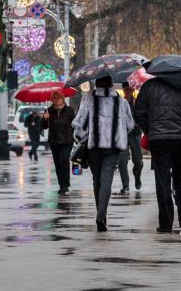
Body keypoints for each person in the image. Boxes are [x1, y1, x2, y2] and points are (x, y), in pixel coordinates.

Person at [134, 78, 181, 233]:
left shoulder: (149, 86)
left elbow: (138, 112)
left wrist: (149, 129)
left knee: (162, 179)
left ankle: (166, 223)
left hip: (158, 139)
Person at [72, 76, 135, 232]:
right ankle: (101, 216)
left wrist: (83, 139)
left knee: (97, 181)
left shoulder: (89, 100)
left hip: (94, 148)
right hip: (113, 148)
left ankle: (101, 214)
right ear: (112, 85)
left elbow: (79, 125)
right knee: (107, 179)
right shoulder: (121, 102)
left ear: (97, 84)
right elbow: (130, 125)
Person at [41, 90, 76, 195]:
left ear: (63, 99)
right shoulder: (48, 111)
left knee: (64, 159)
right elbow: (43, 126)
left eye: (58, 98)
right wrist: (44, 118)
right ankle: (61, 185)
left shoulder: (69, 110)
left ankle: (65, 184)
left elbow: (75, 124)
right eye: (54, 98)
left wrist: (71, 132)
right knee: (57, 163)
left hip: (67, 140)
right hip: (54, 141)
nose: (56, 100)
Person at [117, 83, 144, 194]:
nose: (128, 91)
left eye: (130, 89)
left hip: (135, 134)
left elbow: (142, 116)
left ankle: (137, 177)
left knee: (138, 161)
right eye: (126, 89)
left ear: (133, 90)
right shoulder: (119, 103)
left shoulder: (138, 102)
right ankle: (125, 185)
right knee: (122, 161)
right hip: (122, 135)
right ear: (123, 90)